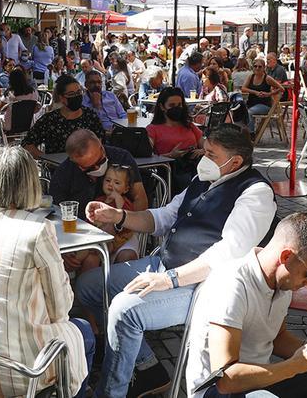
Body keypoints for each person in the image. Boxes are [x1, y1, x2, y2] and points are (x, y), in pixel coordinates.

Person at [78, 125, 276, 397]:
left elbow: (229, 252)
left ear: (236, 161)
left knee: (125, 310)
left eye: (211, 154)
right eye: (204, 150)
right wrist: (119, 216)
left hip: (200, 287)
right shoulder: (205, 178)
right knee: (88, 284)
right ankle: (148, 368)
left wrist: (169, 279)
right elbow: (165, 217)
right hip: (163, 264)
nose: (202, 158)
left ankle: (111, 392)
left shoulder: (255, 194)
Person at [0, 146, 93, 398]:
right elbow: (61, 309)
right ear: (30, 184)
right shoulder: (37, 229)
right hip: (19, 373)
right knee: (84, 333)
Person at [186, 213, 307, 398]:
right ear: (286, 256)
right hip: (218, 391)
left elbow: (276, 338)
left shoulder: (283, 282)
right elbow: (226, 380)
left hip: (264, 379)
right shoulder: (231, 285)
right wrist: (295, 366)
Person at [22, 75, 105, 156]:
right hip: (57, 167)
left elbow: (99, 141)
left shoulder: (90, 116)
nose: (77, 96)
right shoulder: (50, 120)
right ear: (61, 98)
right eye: (71, 94)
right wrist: (46, 158)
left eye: (79, 92)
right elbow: (27, 144)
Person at [148, 87, 205, 191]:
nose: (177, 108)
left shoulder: (189, 126)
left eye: (179, 105)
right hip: (169, 172)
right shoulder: (153, 129)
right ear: (162, 107)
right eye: (172, 105)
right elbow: (148, 157)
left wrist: (203, 151)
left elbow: (205, 144)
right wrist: (170, 155)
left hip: (195, 168)